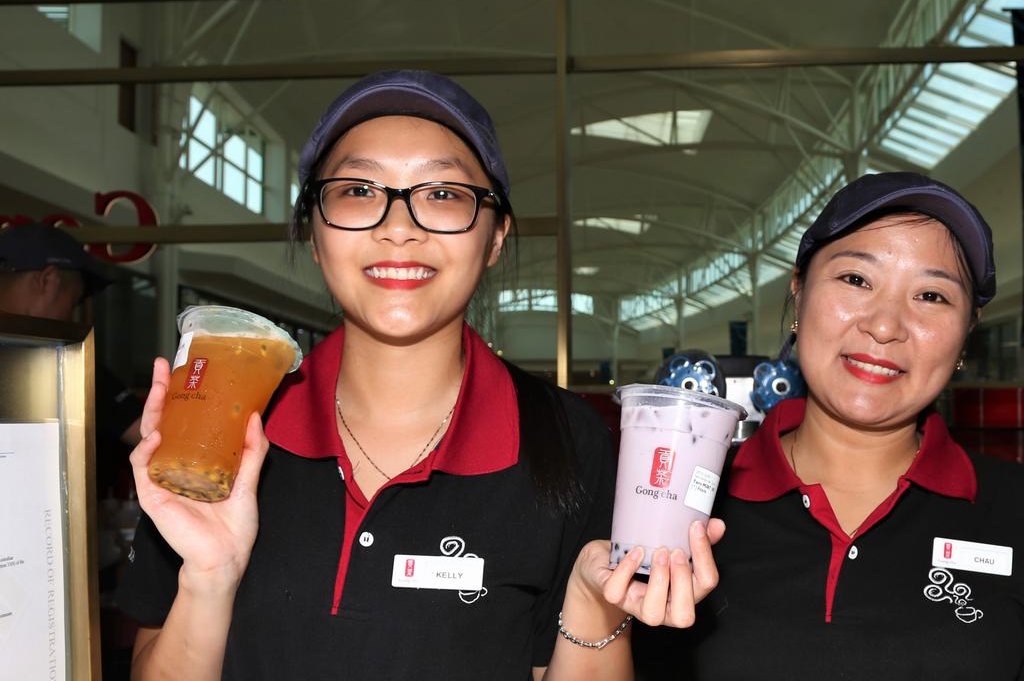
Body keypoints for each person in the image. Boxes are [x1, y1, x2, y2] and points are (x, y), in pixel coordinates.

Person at [117, 70, 719, 681]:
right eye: (357, 189)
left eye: (442, 194)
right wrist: (210, 580)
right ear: (313, 233)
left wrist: (593, 607)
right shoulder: (228, 422)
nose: (398, 226)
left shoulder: (565, 441)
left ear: (494, 238)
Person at [635, 172, 1024, 679]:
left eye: (931, 296)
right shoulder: (682, 502)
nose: (883, 325)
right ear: (800, 292)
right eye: (856, 280)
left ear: (966, 335)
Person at [0, 223, 144, 480]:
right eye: (73, 301)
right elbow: (150, 434)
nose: (71, 316)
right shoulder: (65, 365)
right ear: (48, 280)